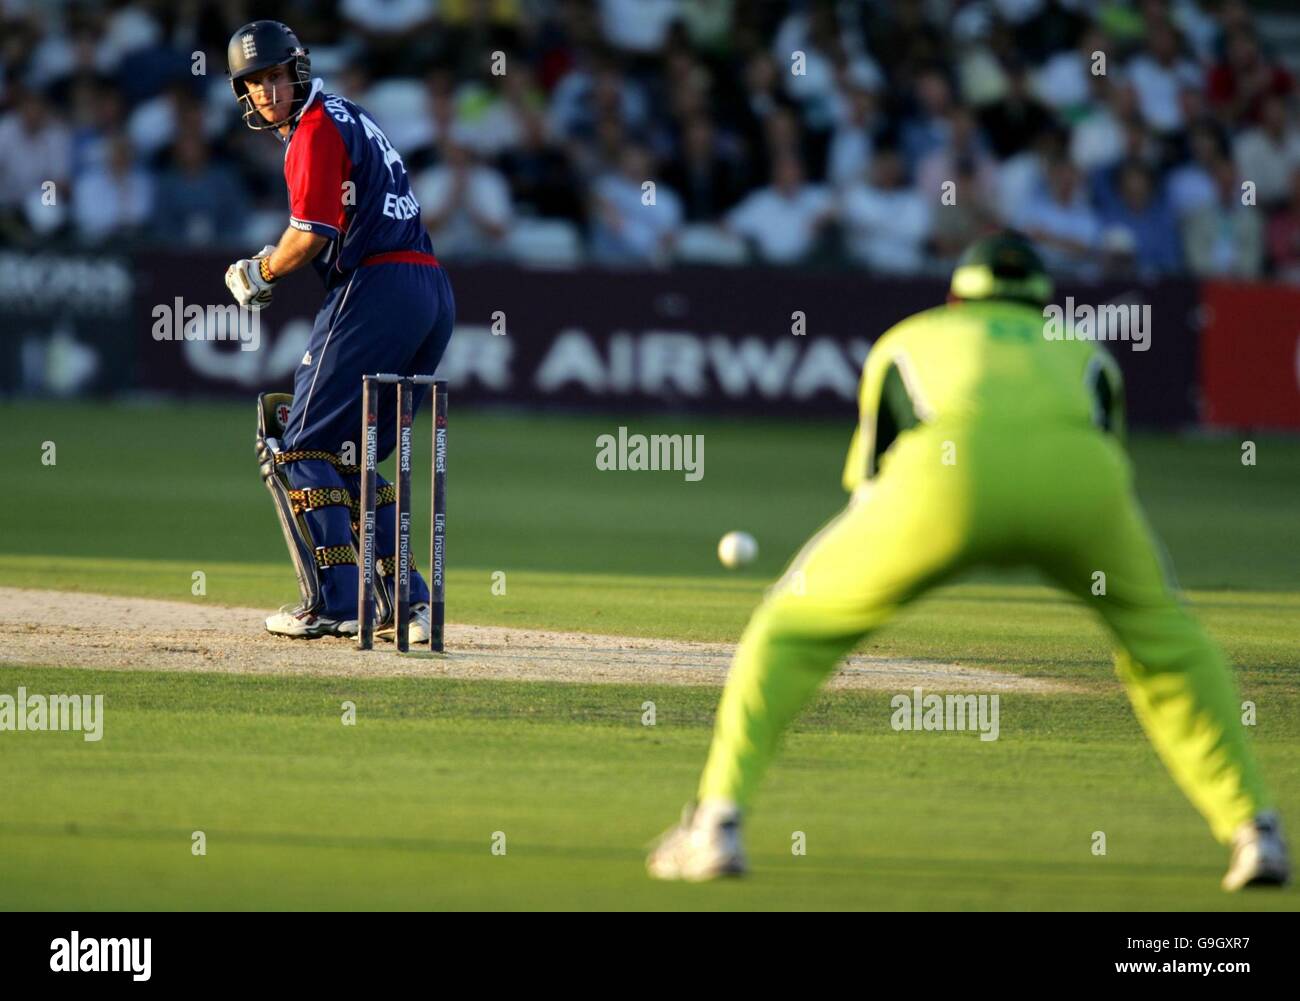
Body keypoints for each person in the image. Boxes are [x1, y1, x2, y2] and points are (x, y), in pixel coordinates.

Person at [647, 231, 1290, 893]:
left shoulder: (909, 337)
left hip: (941, 490)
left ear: (956, 296)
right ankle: (1254, 829)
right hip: (1080, 494)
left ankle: (717, 823)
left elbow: (870, 484)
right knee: (1168, 643)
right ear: (1044, 304)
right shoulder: (1087, 353)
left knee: (790, 629)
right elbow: (1112, 465)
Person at [224, 20, 455, 641]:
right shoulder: (348, 113)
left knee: (295, 443)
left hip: (378, 286)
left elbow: (312, 233)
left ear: (297, 72)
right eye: (255, 83)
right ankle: (405, 600)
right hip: (429, 287)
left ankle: (332, 601)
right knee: (348, 454)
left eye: (276, 76)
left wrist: (259, 270)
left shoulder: (316, 128)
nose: (269, 92)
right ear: (244, 95)